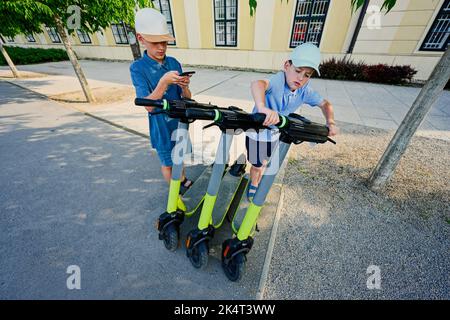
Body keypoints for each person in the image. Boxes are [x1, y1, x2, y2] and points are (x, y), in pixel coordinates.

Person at [246, 43, 338, 200]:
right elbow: (257, 84)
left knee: (266, 161)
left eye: (307, 75)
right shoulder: (278, 81)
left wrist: (331, 121)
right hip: (257, 133)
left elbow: (325, 104)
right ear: (287, 66)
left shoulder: (303, 90)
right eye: (297, 71)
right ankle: (254, 182)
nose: (301, 78)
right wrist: (263, 108)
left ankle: (259, 174)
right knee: (256, 164)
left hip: (275, 134)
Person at [130, 8, 193, 189]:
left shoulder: (173, 62)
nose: (161, 48)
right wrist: (163, 83)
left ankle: (182, 180)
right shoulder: (137, 68)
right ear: (141, 39)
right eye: (155, 43)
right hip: (161, 125)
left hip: (179, 120)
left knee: (180, 157)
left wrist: (185, 86)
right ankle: (175, 192)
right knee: (168, 162)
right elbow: (149, 106)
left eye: (164, 42)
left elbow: (187, 98)